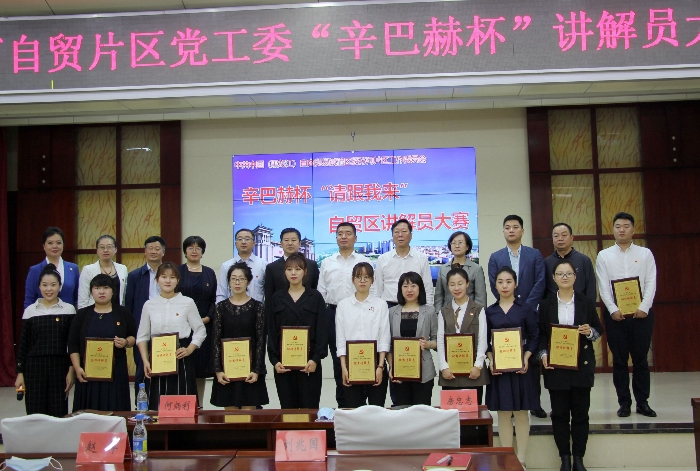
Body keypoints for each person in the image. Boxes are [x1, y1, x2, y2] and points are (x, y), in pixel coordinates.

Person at [538, 260, 602, 471]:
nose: (564, 277)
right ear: (554, 278)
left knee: (581, 415)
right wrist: (543, 354)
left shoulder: (586, 302)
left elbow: (598, 330)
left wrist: (589, 332)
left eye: (568, 273)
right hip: (556, 369)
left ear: (575, 277)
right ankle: (565, 458)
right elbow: (541, 335)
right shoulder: (546, 304)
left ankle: (579, 459)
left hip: (581, 367)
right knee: (559, 415)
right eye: (560, 274)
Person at [596, 212, 657, 418]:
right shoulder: (604, 255)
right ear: (613, 229)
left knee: (641, 360)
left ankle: (643, 402)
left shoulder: (645, 253)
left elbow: (651, 282)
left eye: (626, 226)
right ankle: (624, 403)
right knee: (620, 361)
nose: (622, 229)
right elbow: (603, 286)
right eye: (618, 226)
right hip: (616, 316)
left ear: (633, 229)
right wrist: (612, 309)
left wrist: (644, 307)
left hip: (641, 315)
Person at [488, 215, 547, 419]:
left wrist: (524, 307)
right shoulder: (496, 257)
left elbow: (540, 281)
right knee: (507, 356)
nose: (511, 230)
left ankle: (534, 403)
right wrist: (511, 306)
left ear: (522, 230)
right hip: (505, 314)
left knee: (531, 360)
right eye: (507, 227)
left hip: (529, 313)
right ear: (503, 231)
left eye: (515, 227)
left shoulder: (534, 254)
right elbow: (494, 284)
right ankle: (510, 403)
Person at [485, 267, 539, 469]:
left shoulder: (526, 309)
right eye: (500, 282)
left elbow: (534, 336)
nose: (504, 285)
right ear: (495, 285)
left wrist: (526, 357)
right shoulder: (489, 311)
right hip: (499, 370)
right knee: (504, 412)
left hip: (521, 368)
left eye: (508, 281)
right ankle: (507, 459)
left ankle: (521, 459)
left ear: (515, 284)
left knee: (522, 412)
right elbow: (485, 342)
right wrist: (491, 360)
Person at [318, 222, 375, 408]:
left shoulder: (364, 261)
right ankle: (344, 404)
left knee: (361, 354)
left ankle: (363, 403)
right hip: (333, 314)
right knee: (339, 360)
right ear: (336, 238)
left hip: (359, 313)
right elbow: (321, 292)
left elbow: (373, 290)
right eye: (340, 233)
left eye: (348, 233)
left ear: (355, 238)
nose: (344, 236)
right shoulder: (327, 262)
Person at [136, 262, 206, 410]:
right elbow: (142, 336)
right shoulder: (149, 305)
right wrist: (146, 361)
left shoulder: (187, 302)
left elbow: (200, 330)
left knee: (183, 406)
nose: (168, 281)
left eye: (172, 277)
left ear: (178, 280)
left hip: (181, 356)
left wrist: (190, 349)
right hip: (156, 359)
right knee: (156, 406)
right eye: (164, 277)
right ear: (157, 280)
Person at [267, 253, 327, 409]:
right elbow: (272, 331)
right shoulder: (277, 298)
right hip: (284, 365)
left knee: (310, 410)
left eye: (298, 269)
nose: (293, 273)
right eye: (289, 269)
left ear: (305, 272)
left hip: (309, 364)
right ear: (284, 272)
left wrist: (315, 359)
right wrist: (275, 361)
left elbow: (322, 330)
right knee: (288, 411)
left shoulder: (315, 297)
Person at [69, 274, 136, 412]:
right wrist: (77, 368)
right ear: (91, 291)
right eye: (97, 288)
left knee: (115, 410)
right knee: (88, 411)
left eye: (106, 287)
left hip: (116, 373)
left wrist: (125, 342)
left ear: (113, 291)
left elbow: (134, 336)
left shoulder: (123, 312)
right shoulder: (82, 314)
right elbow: (73, 344)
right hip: (87, 372)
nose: (101, 292)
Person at [15, 264, 76, 417]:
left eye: (53, 285)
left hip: (59, 367)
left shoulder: (69, 309)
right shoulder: (30, 311)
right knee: (35, 411)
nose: (49, 289)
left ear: (60, 286)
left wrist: (71, 370)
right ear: (39, 287)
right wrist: (20, 373)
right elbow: (23, 344)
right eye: (45, 285)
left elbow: (72, 343)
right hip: (34, 367)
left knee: (58, 411)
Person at [210, 262, 268, 409]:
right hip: (227, 371)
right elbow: (215, 340)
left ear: (248, 282)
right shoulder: (220, 308)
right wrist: (218, 370)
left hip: (250, 371)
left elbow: (261, 341)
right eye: (233, 279)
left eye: (241, 279)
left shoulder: (258, 307)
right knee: (230, 417)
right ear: (228, 281)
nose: (237, 282)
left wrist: (256, 370)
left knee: (249, 416)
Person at [335, 262, 390, 408]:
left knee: (376, 411)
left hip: (376, 364)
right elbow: (340, 339)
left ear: (372, 280)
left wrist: (380, 367)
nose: (362, 281)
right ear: (352, 280)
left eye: (367, 277)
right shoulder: (343, 305)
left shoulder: (381, 304)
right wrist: (344, 368)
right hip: (351, 364)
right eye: (358, 277)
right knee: (354, 412)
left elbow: (384, 337)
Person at [437, 267, 490, 404]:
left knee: (473, 413)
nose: (456, 288)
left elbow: (482, 339)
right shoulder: (444, 311)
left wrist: (478, 365)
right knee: (451, 413)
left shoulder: (478, 309)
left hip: (473, 372)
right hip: (450, 373)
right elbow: (440, 341)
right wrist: (443, 367)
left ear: (467, 284)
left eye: (460, 283)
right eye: (452, 284)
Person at [387, 271, 438, 406]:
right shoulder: (392, 312)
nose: (409, 290)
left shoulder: (430, 311)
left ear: (420, 288)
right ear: (400, 289)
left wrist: (427, 344)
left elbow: (437, 341)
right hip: (400, 370)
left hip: (424, 371)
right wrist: (393, 367)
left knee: (422, 412)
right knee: (402, 411)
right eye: (405, 286)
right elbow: (388, 346)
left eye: (413, 286)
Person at [177, 236, 217, 406]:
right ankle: (182, 404)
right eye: (190, 248)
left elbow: (214, 299)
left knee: (200, 369)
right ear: (185, 251)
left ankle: (198, 405)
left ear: (202, 252)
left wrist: (206, 318)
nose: (194, 251)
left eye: (198, 248)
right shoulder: (177, 271)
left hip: (204, 326)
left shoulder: (209, 273)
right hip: (181, 327)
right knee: (183, 367)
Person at [125, 235, 166, 401]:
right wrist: (131, 332)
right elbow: (129, 306)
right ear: (145, 251)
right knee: (142, 369)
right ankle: (141, 406)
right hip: (142, 330)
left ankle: (162, 404)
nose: (154, 251)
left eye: (157, 248)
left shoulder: (170, 274)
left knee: (165, 368)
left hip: (166, 329)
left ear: (163, 252)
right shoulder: (135, 276)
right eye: (150, 248)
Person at [375, 219, 434, 308]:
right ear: (392, 236)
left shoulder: (422, 258)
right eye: (396, 232)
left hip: (415, 306)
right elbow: (377, 288)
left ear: (411, 235)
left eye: (404, 231)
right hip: (389, 306)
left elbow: (428, 287)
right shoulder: (383, 259)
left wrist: (428, 309)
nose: (400, 235)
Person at [264, 228, 320, 313]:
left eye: (293, 240)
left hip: (307, 313)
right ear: (281, 243)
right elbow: (269, 298)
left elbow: (315, 290)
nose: (290, 243)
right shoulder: (272, 267)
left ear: (300, 243)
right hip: (281, 314)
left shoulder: (311, 265)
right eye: (286, 240)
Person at [24, 227, 79, 308]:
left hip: (68, 314)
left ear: (63, 245)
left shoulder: (73, 268)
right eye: (50, 243)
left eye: (58, 243)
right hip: (42, 314)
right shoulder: (35, 270)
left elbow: (77, 298)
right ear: (44, 246)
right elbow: (29, 299)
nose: (55, 246)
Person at [544, 223, 596, 303]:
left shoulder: (584, 260)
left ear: (572, 238)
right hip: (553, 307)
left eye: (564, 235)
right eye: (556, 236)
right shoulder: (546, 262)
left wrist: (589, 308)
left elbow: (591, 289)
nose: (560, 239)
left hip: (580, 306)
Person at [434, 231, 487, 309]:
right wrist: (438, 313)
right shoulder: (443, 269)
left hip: (469, 313)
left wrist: (477, 314)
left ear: (467, 247)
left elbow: (480, 298)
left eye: (460, 243)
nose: (457, 246)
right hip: (447, 312)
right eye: (454, 243)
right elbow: (439, 296)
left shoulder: (476, 269)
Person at [216, 228, 266, 303]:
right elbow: (221, 293)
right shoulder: (226, 266)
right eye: (240, 239)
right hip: (231, 309)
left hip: (257, 309)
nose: (243, 242)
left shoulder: (263, 265)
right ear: (235, 243)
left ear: (254, 243)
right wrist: (220, 309)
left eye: (247, 239)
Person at [78, 235, 128, 309]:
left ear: (115, 249)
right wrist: (84, 314)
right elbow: (83, 297)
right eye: (102, 247)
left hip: (118, 311)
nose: (105, 250)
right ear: (97, 250)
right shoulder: (88, 270)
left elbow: (124, 296)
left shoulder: (122, 268)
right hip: (95, 311)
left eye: (109, 247)